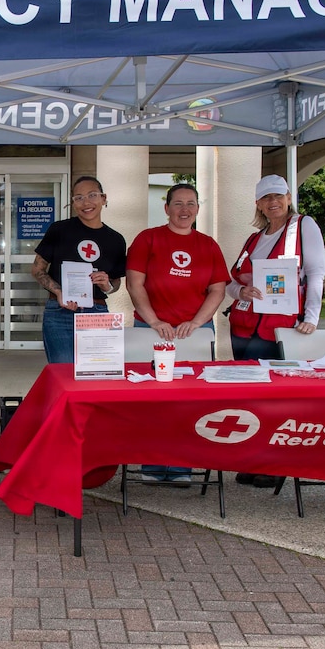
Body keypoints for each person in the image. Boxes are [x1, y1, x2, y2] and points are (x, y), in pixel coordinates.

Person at [125, 183, 230, 485]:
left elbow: (217, 290)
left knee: (191, 400)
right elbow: (134, 283)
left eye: (191, 203)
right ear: (166, 208)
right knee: (152, 401)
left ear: (198, 208)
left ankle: (183, 466)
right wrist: (154, 320)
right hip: (151, 331)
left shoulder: (208, 245)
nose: (185, 210)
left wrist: (197, 323)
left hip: (194, 334)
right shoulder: (148, 239)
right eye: (178, 203)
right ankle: (152, 465)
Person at [226, 174, 325, 488]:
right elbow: (232, 281)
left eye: (279, 196)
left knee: (274, 398)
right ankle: (252, 459)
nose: (273, 202)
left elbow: (316, 273)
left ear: (288, 198)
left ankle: (274, 463)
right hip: (243, 327)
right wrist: (239, 292)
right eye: (267, 198)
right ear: (258, 203)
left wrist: (312, 317)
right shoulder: (254, 239)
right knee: (248, 398)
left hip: (277, 329)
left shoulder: (303, 226)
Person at [32, 176, 127, 363]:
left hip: (97, 311)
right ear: (73, 203)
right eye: (79, 198)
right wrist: (59, 292)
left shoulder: (116, 240)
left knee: (96, 370)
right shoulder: (59, 230)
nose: (86, 202)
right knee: (63, 370)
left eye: (92, 195)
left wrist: (107, 285)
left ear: (103, 198)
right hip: (60, 312)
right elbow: (37, 270)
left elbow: (115, 282)